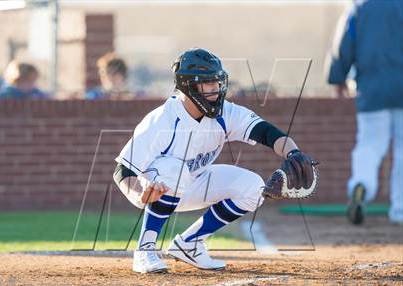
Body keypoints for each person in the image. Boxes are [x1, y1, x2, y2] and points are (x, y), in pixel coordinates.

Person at [113, 48, 315, 273]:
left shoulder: (225, 113)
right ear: (188, 86)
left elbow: (266, 132)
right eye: (208, 84)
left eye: (218, 83)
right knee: (174, 170)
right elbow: (123, 171)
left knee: (253, 187)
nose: (216, 89)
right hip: (156, 189)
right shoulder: (162, 120)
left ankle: (190, 243)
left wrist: (293, 153)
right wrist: (140, 192)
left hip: (194, 183)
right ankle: (145, 249)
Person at [326, 0, 403, 225]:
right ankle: (400, 209)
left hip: (371, 89)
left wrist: (337, 77)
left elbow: (343, 44)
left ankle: (362, 185)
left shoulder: (360, 7)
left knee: (370, 144)